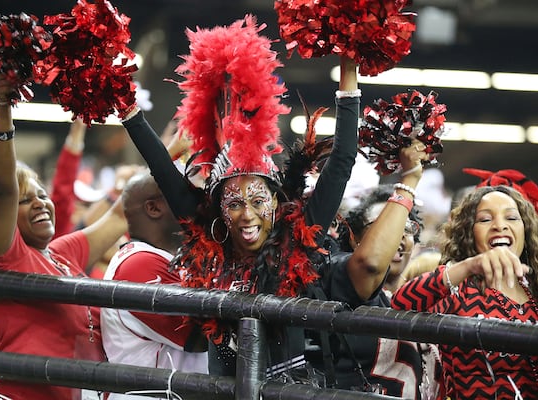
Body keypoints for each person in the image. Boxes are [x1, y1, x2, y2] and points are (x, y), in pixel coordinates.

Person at [119, 16, 359, 378]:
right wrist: (124, 104)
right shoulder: (209, 239)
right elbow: (162, 170)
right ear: (219, 211)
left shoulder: (299, 236)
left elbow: (340, 162)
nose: (247, 215)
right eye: (233, 203)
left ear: (277, 204)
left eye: (258, 201)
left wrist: (349, 65)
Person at [0, 72, 128, 400]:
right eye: (25, 200)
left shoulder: (62, 252)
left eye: (42, 195)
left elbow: (121, 213)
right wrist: (3, 107)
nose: (41, 203)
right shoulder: (5, 254)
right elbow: (1, 190)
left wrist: (174, 149)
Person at [307, 140, 443, 399]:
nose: (399, 238)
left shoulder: (431, 293)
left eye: (408, 229)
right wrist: (410, 180)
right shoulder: (344, 287)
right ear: (355, 239)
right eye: (385, 227)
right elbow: (370, 263)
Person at [391, 185, 538, 399]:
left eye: (512, 218)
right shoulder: (458, 288)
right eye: (485, 219)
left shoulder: (534, 287)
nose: (500, 226)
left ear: (525, 230)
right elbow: (399, 306)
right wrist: (469, 266)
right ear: (469, 232)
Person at [101, 171, 208, 399]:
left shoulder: (165, 257)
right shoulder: (137, 264)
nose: (197, 204)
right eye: (184, 195)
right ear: (153, 208)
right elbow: (201, 337)